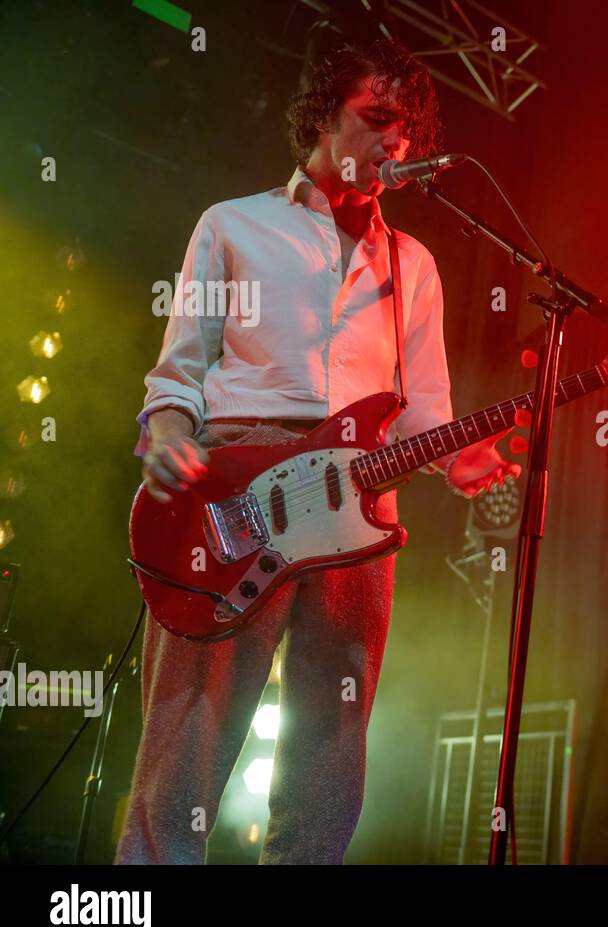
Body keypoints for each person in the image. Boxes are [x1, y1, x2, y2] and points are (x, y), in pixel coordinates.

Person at [116, 37, 518, 864]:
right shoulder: (233, 225)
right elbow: (179, 373)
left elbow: (424, 412)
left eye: (406, 130)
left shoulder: (414, 265)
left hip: (360, 507)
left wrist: (458, 460)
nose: (396, 144)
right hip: (238, 484)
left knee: (330, 754)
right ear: (323, 114)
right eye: (377, 120)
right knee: (187, 738)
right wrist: (166, 437)